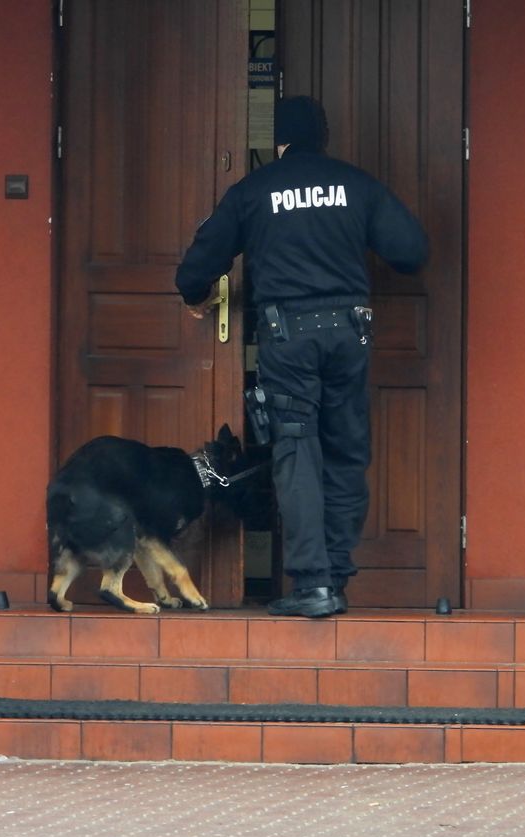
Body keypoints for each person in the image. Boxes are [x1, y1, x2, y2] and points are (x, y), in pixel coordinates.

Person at [174, 96, 428, 618]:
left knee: (296, 451)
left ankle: (312, 583)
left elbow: (196, 266)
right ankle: (334, 577)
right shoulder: (356, 184)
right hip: (349, 333)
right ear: (324, 138)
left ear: (277, 141)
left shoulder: (254, 191)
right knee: (345, 454)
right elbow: (411, 252)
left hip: (287, 336)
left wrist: (196, 295)